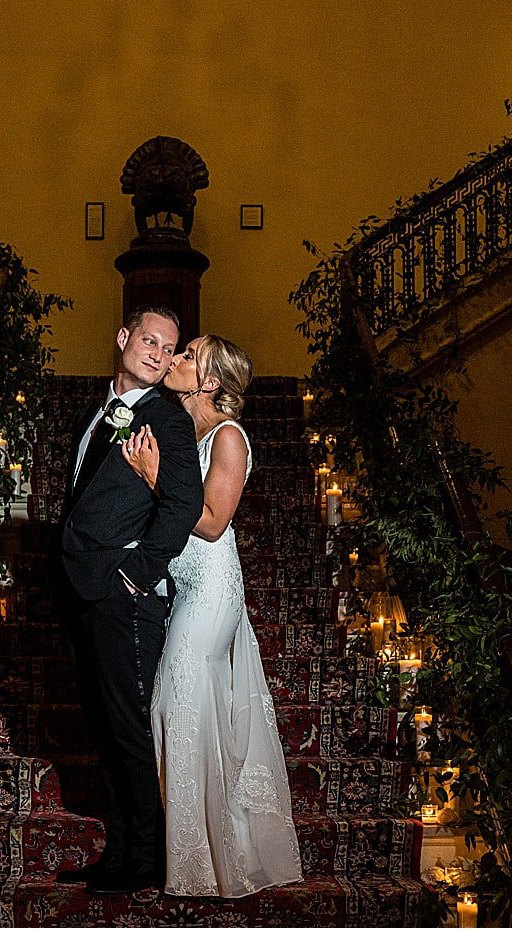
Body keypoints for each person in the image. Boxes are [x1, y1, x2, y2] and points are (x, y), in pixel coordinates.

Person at [120, 334, 304, 898]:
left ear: (210, 381)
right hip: (182, 584)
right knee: (176, 709)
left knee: (176, 703)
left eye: (188, 354)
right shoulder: (184, 428)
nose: (175, 359)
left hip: (213, 587)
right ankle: (190, 852)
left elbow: (213, 520)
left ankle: (200, 865)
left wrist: (154, 479)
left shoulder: (228, 436)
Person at [54, 305, 205, 898]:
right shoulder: (92, 415)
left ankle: (148, 855)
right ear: (123, 338)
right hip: (77, 591)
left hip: (123, 596)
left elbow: (182, 508)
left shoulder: (167, 422)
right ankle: (119, 851)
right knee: (101, 725)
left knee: (128, 729)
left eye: (169, 349)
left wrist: (135, 578)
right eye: (149, 340)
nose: (158, 354)